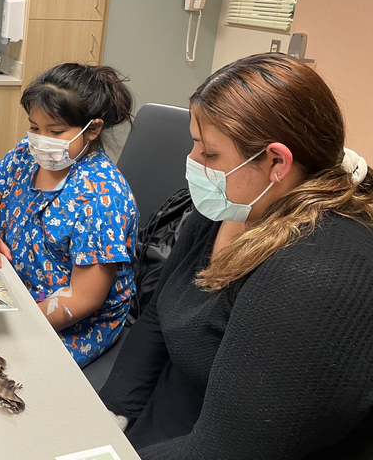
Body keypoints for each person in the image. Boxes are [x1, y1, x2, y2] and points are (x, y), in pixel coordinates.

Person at [99, 54, 373, 459]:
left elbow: (230, 448)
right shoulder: (231, 205)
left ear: (277, 162)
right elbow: (158, 315)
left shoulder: (316, 272)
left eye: (209, 155)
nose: (192, 163)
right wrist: (112, 413)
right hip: (169, 420)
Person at [0, 63, 138, 367]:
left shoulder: (102, 197)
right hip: (15, 289)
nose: (41, 140)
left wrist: (17, 323)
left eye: (55, 131)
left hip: (70, 321)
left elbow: (83, 298)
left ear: (92, 130)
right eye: (34, 128)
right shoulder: (26, 156)